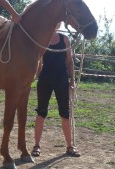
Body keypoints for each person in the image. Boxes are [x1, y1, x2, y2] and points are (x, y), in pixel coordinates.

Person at [31, 22, 81, 157]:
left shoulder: (65, 39)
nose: (54, 25)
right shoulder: (42, 40)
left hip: (61, 80)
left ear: (59, 25)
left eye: (57, 23)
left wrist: (72, 80)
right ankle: (36, 145)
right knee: (41, 112)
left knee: (65, 113)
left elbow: (69, 61)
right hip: (45, 80)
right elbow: (36, 59)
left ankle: (70, 146)